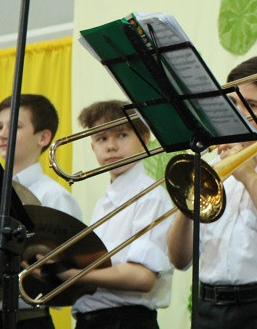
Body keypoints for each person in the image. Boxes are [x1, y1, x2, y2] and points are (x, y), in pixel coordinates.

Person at [166, 56, 257, 329]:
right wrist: (187, 202)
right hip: (208, 306)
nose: (238, 115)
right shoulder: (212, 163)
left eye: (252, 106)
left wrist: (248, 176)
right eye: (233, 104)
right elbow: (178, 258)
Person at [62, 100, 174, 329]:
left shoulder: (150, 195)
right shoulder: (104, 202)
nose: (111, 146)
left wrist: (73, 275)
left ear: (144, 140)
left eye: (122, 135)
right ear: (92, 147)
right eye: (101, 138)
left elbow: (142, 278)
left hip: (125, 321)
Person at [0, 94, 83, 329]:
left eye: (15, 126)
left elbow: (67, 277)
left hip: (27, 321)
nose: (2, 134)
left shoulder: (53, 195)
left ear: (43, 137)